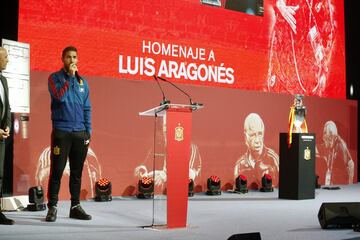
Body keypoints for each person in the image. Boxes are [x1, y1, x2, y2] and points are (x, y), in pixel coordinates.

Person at [45, 46, 92, 222]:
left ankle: (75, 206)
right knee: (57, 170)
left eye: (74, 57)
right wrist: (70, 78)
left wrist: (88, 131)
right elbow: (59, 97)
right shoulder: (54, 78)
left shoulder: (83, 83)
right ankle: (53, 207)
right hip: (62, 132)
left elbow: (87, 108)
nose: (72, 60)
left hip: (80, 133)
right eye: (68, 57)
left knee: (77, 172)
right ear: (62, 59)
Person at [266, 0, 337, 96]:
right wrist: (279, 4)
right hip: (285, 50)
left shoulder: (323, 5)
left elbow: (329, 32)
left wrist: (324, 68)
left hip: (309, 68)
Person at [234, 113, 279, 189]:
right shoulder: (240, 165)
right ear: (246, 137)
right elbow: (236, 190)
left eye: (260, 134)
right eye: (252, 135)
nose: (257, 140)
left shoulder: (273, 159)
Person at [0, 47, 15, 225]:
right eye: (5, 57)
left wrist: (8, 127)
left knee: (0, 175)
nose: (7, 60)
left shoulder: (3, 80)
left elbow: (8, 108)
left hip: (2, 137)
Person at [319, 121, 354, 185]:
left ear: (335, 137)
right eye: (325, 139)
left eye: (329, 140)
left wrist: (350, 184)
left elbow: (351, 164)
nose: (327, 143)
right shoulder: (326, 143)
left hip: (341, 182)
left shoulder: (341, 146)